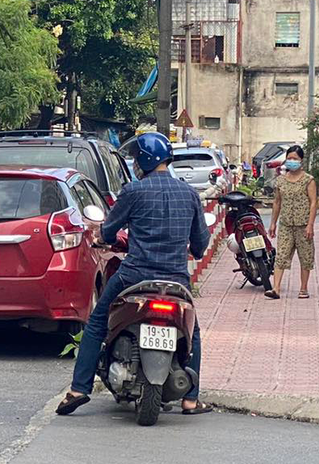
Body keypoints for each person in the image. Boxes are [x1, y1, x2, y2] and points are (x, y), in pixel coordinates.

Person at [56, 132, 212, 417]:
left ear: (143, 160)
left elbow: (108, 231)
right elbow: (201, 244)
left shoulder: (133, 191)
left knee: (97, 322)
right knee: (193, 332)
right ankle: (190, 399)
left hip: (134, 277)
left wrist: (104, 238)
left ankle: (79, 389)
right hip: (176, 281)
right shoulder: (189, 194)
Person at [266, 145, 318, 299]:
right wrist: (273, 223)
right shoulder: (281, 180)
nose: (292, 161)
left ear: (301, 160)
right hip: (286, 225)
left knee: (305, 256)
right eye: (289, 158)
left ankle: (303, 288)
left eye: (295, 158)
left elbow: (313, 202)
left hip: (303, 225)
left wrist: (310, 225)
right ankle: (276, 288)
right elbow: (277, 202)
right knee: (281, 255)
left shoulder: (308, 180)